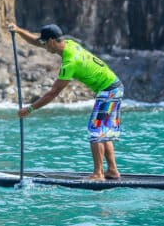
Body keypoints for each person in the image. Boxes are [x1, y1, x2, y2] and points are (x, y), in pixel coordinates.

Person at [8, 22, 124, 181]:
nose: (43, 46)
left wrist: (30, 109)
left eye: (44, 43)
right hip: (114, 87)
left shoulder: (69, 62)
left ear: (51, 42)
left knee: (95, 131)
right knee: (102, 133)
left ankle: (98, 174)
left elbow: (53, 93)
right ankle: (112, 171)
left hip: (109, 90)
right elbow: (36, 41)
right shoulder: (68, 43)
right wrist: (18, 30)